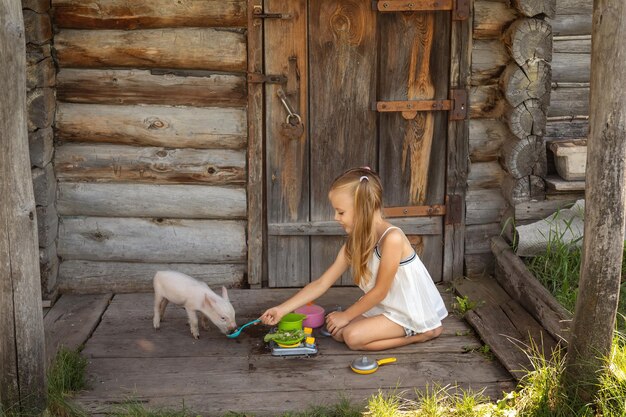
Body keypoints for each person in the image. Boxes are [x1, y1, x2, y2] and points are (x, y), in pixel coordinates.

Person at [259, 167, 448, 351]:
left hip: (407, 310)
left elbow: (380, 291)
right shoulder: (356, 242)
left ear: (362, 208)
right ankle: (398, 330)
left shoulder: (392, 239)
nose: (335, 217)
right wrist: (282, 309)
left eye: (340, 212)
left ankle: (421, 333)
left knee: (352, 337)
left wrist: (347, 315)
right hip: (386, 307)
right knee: (338, 332)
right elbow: (322, 283)